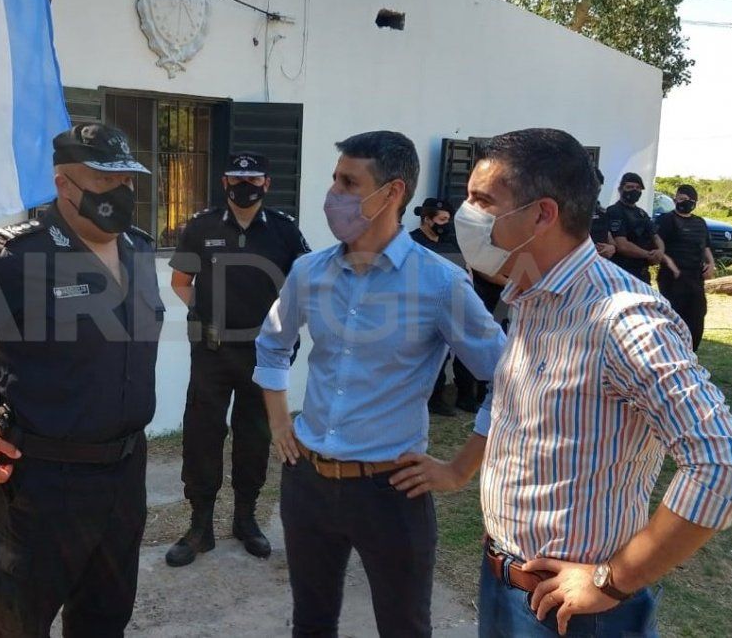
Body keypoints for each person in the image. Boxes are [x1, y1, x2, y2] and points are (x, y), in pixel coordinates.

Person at [456, 128, 732, 637]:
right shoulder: (533, 295)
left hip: (578, 612)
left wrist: (612, 580)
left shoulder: (623, 318)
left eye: (482, 201)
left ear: (542, 214)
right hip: (507, 584)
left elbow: (723, 468)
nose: (466, 213)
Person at [0, 123, 163, 638]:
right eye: (104, 180)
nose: (121, 192)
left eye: (127, 181)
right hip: (44, 482)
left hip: (125, 473)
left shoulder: (138, 250)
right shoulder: (15, 259)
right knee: (22, 624)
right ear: (64, 185)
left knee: (106, 620)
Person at [256, 131, 506, 637]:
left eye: (349, 183)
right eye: (335, 180)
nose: (334, 194)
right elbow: (273, 344)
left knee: (403, 627)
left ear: (392, 193)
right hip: (308, 481)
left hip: (390, 490)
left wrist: (459, 470)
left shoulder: (439, 283)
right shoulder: (309, 271)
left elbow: (508, 379)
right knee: (310, 623)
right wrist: (280, 422)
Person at [166, 151, 310, 567]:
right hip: (212, 354)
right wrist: (207, 313)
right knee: (202, 436)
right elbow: (180, 282)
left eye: (253, 179)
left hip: (263, 355)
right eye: (236, 178)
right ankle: (200, 527)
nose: (244, 186)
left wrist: (283, 329)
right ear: (224, 182)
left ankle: (245, 520)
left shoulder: (284, 230)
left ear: (266, 183)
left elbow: (301, 285)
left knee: (254, 437)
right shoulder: (201, 226)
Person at [409, 197, 480, 414]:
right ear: (427, 219)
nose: (446, 224)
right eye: (442, 219)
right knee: (430, 352)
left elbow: (464, 269)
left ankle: (462, 397)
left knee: (457, 349)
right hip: (422, 305)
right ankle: (432, 399)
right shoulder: (411, 242)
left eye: (448, 219)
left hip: (452, 303)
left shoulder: (451, 242)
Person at [656, 184, 715, 351]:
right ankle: (672, 352)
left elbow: (706, 247)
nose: (683, 202)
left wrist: (711, 264)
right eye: (680, 198)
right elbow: (657, 246)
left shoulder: (699, 223)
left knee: (697, 315)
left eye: (687, 200)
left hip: (695, 277)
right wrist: (671, 265)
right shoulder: (666, 220)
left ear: (694, 202)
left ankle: (691, 352)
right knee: (674, 316)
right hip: (673, 278)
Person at [607, 172, 664, 283]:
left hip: (642, 272)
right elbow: (622, 245)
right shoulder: (615, 211)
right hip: (623, 273)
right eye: (629, 187)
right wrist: (648, 255)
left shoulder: (642, 213)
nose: (634, 190)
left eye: (638, 188)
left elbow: (656, 237)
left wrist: (660, 252)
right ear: (620, 189)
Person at [590, 169, 616, 259]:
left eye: (598, 186)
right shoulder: (568, 211)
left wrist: (611, 248)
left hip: (600, 260)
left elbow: (610, 239)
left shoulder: (603, 212)